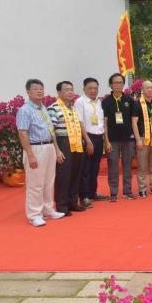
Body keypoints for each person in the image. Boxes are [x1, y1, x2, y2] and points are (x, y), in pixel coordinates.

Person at [16, 79, 66, 226]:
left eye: (41, 89)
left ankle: (48, 209)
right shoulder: (25, 110)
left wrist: (56, 149)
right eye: (35, 89)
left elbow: (51, 131)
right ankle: (34, 215)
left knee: (48, 181)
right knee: (35, 183)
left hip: (49, 147)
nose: (39, 91)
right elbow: (23, 134)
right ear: (28, 91)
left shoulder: (43, 108)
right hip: (35, 148)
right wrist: (30, 155)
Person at [48, 81, 92, 216]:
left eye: (71, 90)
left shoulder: (72, 108)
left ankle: (73, 202)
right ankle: (62, 206)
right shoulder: (53, 108)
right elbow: (51, 131)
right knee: (63, 175)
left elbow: (80, 126)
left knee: (75, 174)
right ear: (59, 93)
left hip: (77, 143)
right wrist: (57, 150)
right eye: (66, 90)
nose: (70, 92)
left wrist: (85, 141)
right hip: (63, 143)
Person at [102, 73, 136, 201]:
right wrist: (106, 140)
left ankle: (127, 190)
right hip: (112, 140)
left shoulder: (129, 100)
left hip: (128, 139)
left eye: (120, 82)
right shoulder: (106, 102)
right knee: (113, 166)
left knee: (128, 165)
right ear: (111, 84)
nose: (118, 85)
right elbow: (104, 122)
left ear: (123, 84)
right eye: (115, 82)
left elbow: (134, 121)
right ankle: (113, 192)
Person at [74, 77, 108, 207]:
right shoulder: (80, 102)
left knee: (95, 167)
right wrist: (87, 141)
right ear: (84, 89)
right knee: (86, 169)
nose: (93, 91)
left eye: (95, 88)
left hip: (99, 137)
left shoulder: (99, 102)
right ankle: (84, 196)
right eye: (90, 88)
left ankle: (92, 192)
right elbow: (80, 122)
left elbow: (101, 122)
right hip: (87, 137)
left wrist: (104, 139)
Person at [131, 80, 152, 198]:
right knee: (142, 165)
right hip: (143, 137)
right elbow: (134, 122)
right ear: (142, 90)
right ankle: (142, 188)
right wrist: (138, 139)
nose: (150, 90)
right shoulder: (137, 104)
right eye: (147, 88)